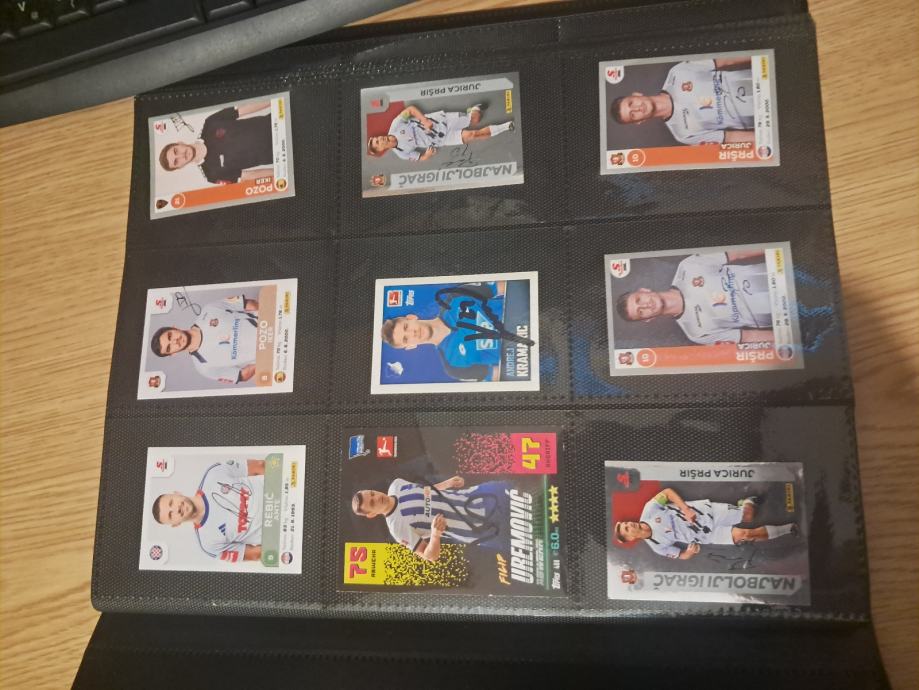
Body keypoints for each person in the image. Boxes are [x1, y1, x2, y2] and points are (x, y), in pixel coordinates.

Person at [379, 281, 534, 382]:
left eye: (406, 327)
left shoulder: (456, 297)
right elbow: (505, 376)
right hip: (532, 353)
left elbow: (510, 286)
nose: (412, 334)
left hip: (533, 312)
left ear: (411, 317)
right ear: (410, 347)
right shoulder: (453, 367)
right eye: (405, 339)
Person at [615, 249, 776, 345]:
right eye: (641, 312)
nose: (645, 306)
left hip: (778, 274)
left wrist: (780, 249)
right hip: (781, 312)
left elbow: (738, 253)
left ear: (644, 290)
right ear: (648, 319)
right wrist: (788, 339)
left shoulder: (688, 266)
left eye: (639, 300)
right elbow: (749, 336)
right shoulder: (696, 334)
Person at [351, 475, 507, 562]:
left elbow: (424, 491)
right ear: (371, 514)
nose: (377, 497)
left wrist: (447, 483)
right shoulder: (397, 528)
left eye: (372, 493)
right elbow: (429, 556)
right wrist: (435, 535)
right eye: (372, 503)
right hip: (482, 529)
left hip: (480, 495)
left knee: (517, 484)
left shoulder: (396, 485)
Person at [613, 488, 797, 560]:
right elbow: (681, 555)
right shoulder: (657, 546)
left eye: (627, 523)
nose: (630, 525)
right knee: (746, 536)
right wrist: (690, 552)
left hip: (707, 513)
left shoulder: (649, 510)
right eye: (627, 529)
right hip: (707, 535)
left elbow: (667, 493)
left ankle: (747, 503)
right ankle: (789, 529)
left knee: (749, 515)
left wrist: (685, 509)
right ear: (630, 538)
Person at [610, 57, 755, 145]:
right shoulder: (682, 135)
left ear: (636, 94)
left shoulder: (678, 72)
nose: (637, 109)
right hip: (760, 114)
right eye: (633, 115)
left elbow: (726, 60)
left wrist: (762, 54)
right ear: (639, 121)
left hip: (759, 80)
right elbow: (730, 137)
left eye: (631, 103)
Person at [152, 458, 265, 563]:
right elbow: (255, 554)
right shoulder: (208, 544)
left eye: (171, 502)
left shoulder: (213, 473)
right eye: (171, 515)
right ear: (175, 524)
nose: (176, 509)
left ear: (177, 493)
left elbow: (260, 466)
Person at [150, 294, 259, 385]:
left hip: (266, 321)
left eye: (170, 336)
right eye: (169, 347)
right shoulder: (204, 368)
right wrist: (263, 359)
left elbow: (248, 304)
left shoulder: (209, 309)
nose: (175, 341)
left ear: (174, 328)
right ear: (172, 354)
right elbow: (242, 375)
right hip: (265, 355)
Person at [158, 101, 274, 184]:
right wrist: (280, 173)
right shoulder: (212, 175)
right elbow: (251, 175)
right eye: (176, 161)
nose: (181, 155)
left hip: (275, 120)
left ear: (179, 143)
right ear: (180, 167)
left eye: (176, 151)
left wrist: (274, 100)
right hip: (278, 152)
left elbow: (247, 108)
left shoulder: (210, 122)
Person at [367, 103, 515, 161]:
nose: (380, 139)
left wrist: (424, 120)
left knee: (475, 119)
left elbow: (410, 110)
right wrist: (427, 154)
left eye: (377, 138)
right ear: (382, 149)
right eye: (378, 143)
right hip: (443, 139)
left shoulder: (396, 125)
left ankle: (474, 110)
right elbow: (420, 158)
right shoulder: (402, 153)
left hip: (442, 121)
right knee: (474, 135)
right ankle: (507, 126)